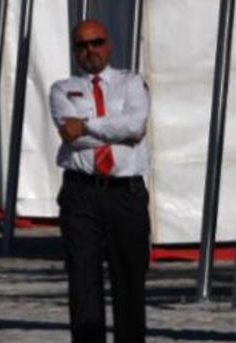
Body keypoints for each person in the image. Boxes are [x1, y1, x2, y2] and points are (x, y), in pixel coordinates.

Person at [49, 19, 150, 343]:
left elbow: (136, 125)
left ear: (108, 44)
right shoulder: (62, 89)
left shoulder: (131, 82)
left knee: (130, 281)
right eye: (82, 45)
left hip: (126, 193)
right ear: (75, 51)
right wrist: (117, 132)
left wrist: (87, 125)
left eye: (96, 42)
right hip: (82, 192)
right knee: (83, 281)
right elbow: (70, 136)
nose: (90, 50)